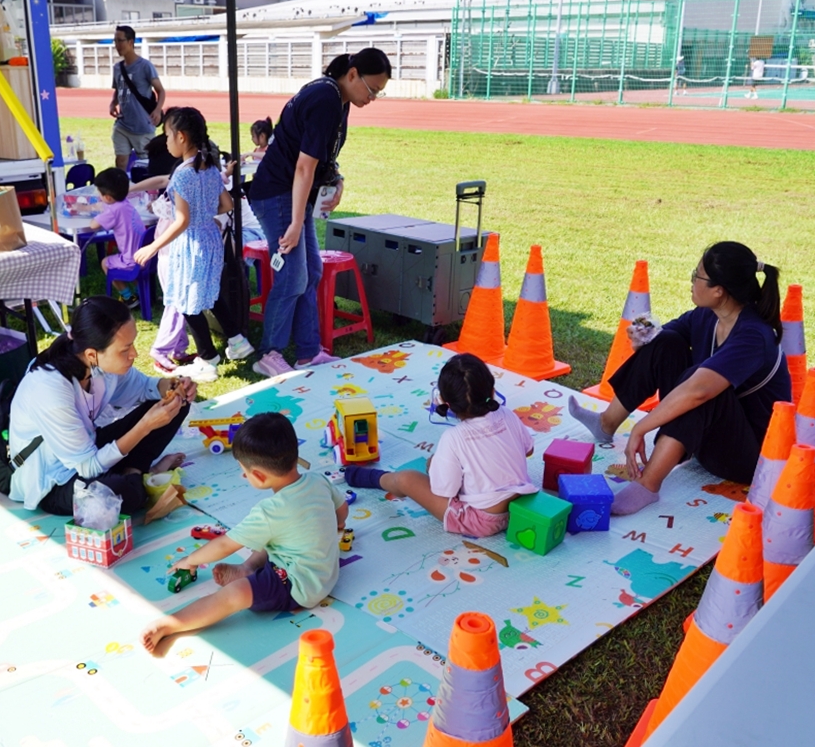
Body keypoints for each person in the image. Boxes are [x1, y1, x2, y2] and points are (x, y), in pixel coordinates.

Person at [567, 241, 791, 515]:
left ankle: (648, 484)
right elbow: (664, 334)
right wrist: (642, 331)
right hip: (711, 436)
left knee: (701, 389)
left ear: (719, 291)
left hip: (749, 457)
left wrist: (641, 428)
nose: (692, 282)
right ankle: (606, 422)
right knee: (666, 343)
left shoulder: (753, 335)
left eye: (697, 277)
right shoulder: (707, 315)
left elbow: (699, 391)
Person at [140, 413, 348, 656]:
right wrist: (328, 528)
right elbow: (341, 511)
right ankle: (248, 569)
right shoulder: (317, 480)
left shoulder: (270, 512)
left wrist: (190, 560)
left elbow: (224, 545)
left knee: (232, 595)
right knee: (274, 536)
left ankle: (170, 624)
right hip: (326, 570)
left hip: (297, 588)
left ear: (258, 475)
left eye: (244, 471)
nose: (243, 475)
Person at [246, 48, 392, 378]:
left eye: (378, 94)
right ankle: (270, 352)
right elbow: (302, 167)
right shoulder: (326, 98)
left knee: (311, 270)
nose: (372, 98)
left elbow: (324, 156)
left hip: (294, 195)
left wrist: (336, 181)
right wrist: (296, 223)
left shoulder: (338, 99)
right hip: (278, 194)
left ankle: (308, 353)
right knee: (293, 275)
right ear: (352, 75)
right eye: (371, 90)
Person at [7, 296, 195, 517]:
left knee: (176, 404)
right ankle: (142, 473)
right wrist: (144, 427)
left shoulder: (96, 364)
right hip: (53, 480)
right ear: (91, 354)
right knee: (121, 493)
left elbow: (143, 387)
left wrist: (171, 385)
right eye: (125, 350)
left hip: (88, 448)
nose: (134, 354)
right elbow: (87, 467)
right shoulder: (50, 388)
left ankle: (135, 474)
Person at [343, 354, 536, 537]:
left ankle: (377, 478)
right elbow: (529, 450)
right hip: (522, 507)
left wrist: (433, 466)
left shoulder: (453, 437)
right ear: (492, 391)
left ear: (444, 402)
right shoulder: (507, 414)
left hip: (481, 520)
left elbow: (445, 490)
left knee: (406, 479)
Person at [133, 107, 254, 382]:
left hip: (190, 246)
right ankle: (237, 340)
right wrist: (205, 216)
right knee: (209, 296)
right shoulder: (209, 168)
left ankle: (207, 357)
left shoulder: (183, 174)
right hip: (209, 242)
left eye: (167, 135)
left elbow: (181, 221)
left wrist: (152, 247)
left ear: (182, 137)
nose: (166, 141)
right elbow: (225, 204)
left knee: (186, 301)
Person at [109, 25, 166, 171]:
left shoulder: (145, 66)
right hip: (122, 125)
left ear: (130, 42)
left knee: (145, 165)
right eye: (115, 41)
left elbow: (160, 90)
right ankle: (120, 189)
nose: (117, 45)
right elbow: (118, 89)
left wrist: (158, 110)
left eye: (120, 41)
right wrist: (112, 103)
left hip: (142, 126)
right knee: (121, 161)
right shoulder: (117, 68)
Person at [92, 167, 146, 309]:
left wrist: (94, 211)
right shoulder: (125, 203)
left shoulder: (113, 211)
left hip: (131, 260)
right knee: (126, 264)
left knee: (105, 263)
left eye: (100, 194)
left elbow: (93, 225)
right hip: (144, 256)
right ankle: (141, 293)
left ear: (108, 197)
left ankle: (128, 298)